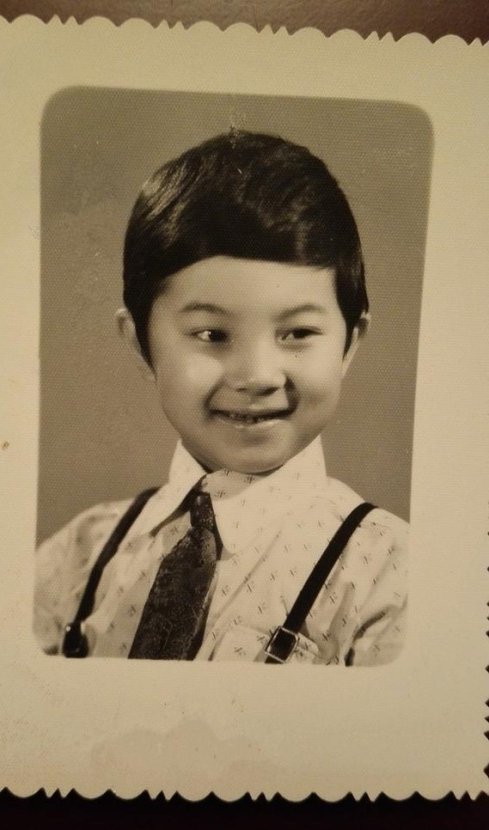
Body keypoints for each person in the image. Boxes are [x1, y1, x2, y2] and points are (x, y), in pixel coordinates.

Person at [34, 131, 407, 665]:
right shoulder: (77, 560)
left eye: (298, 333)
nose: (256, 376)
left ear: (349, 343)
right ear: (141, 344)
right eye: (211, 335)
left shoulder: (388, 578)